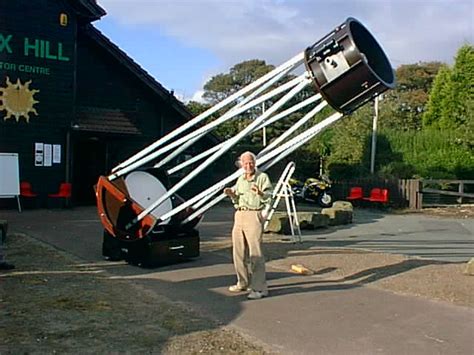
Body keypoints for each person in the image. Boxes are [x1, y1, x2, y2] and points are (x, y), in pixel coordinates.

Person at [224, 151, 272, 300]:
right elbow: (238, 199)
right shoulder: (241, 179)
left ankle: (259, 288)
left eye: (251, 162)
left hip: (253, 214)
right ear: (241, 165)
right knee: (238, 252)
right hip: (240, 214)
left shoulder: (262, 177)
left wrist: (260, 193)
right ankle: (242, 282)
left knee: (255, 253)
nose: (248, 165)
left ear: (255, 163)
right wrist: (232, 195)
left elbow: (269, 196)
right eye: (245, 163)